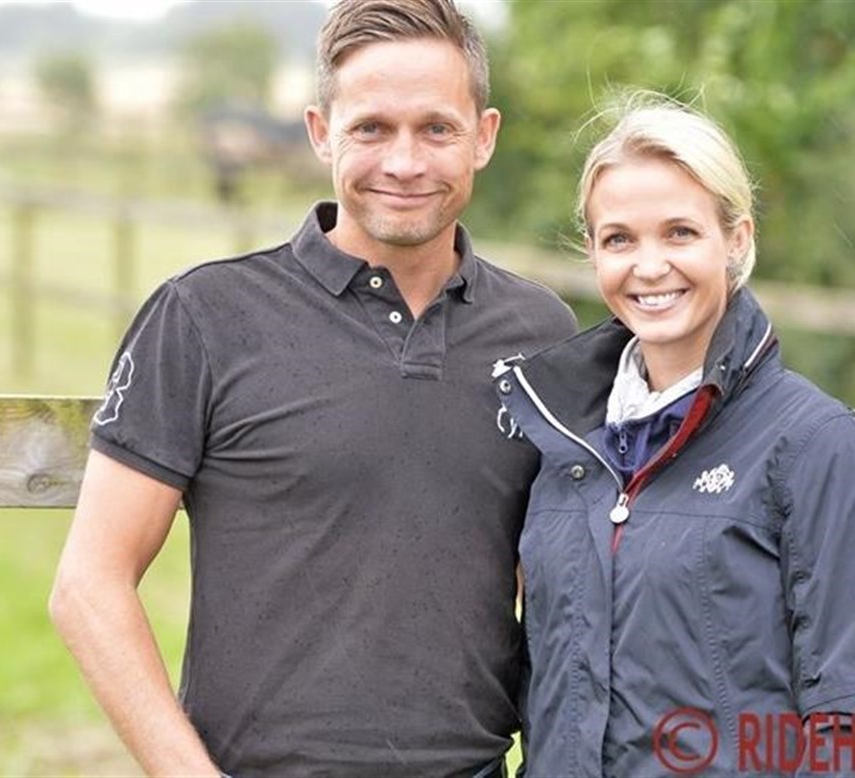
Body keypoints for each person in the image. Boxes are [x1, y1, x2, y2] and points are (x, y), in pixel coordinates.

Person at [49, 1, 576, 775]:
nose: (404, 162)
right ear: (321, 131)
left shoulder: (544, 333)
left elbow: (562, 578)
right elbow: (89, 586)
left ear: (485, 136)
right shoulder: (205, 318)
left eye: (436, 128)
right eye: (372, 128)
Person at [493, 95, 855, 777]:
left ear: (736, 240)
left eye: (680, 233)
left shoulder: (817, 443)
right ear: (592, 251)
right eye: (620, 239)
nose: (650, 266)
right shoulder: (563, 443)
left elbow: (851, 728)